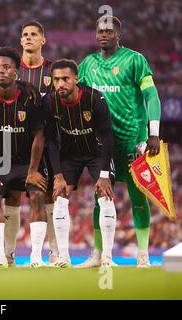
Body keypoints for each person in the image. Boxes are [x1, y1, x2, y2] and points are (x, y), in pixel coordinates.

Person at [77, 16, 162, 268]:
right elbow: (78, 98)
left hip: (133, 141)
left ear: (118, 35)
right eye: (100, 31)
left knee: (138, 197)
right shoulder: (87, 64)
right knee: (100, 198)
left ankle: (143, 254)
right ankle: (98, 255)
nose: (104, 34)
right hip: (101, 144)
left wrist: (153, 133)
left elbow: (152, 95)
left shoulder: (135, 60)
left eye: (109, 31)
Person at [0, 47, 47, 268]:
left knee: (37, 197)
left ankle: (36, 258)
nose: (1, 71)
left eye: (7, 67)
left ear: (17, 71)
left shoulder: (30, 97)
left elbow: (39, 135)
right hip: (0, 163)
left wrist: (33, 171)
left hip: (27, 163)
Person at [43, 59, 116, 268]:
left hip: (97, 152)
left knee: (105, 197)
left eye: (65, 79)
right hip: (69, 154)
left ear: (76, 79)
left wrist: (103, 174)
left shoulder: (94, 98)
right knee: (60, 197)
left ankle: (107, 257)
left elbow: (108, 135)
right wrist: (57, 175)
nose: (60, 84)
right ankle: (63, 257)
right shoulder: (50, 101)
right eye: (56, 80)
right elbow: (50, 141)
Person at [7, 21, 57, 266]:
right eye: (24, 34)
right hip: (16, 145)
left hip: (49, 144)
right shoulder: (11, 71)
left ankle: (54, 252)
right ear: (20, 40)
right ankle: (10, 253)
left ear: (43, 40)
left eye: (34, 34)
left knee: (49, 197)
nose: (28, 38)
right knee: (13, 197)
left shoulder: (53, 71)